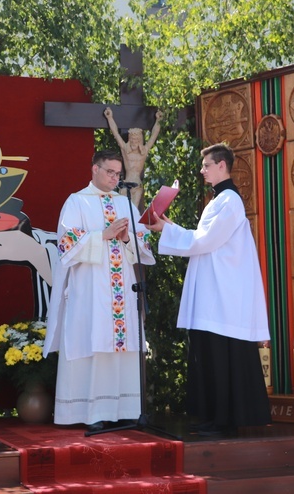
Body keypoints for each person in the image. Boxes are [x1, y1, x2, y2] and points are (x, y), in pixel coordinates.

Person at [144, 143, 271, 436]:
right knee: (211, 356)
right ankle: (214, 416)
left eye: (206, 165)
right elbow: (204, 238)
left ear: (222, 166)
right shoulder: (219, 200)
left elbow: (206, 242)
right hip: (215, 292)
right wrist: (171, 228)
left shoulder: (230, 201)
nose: (201, 170)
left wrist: (167, 230)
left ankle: (225, 422)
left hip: (224, 296)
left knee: (222, 357)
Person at [44, 149, 156, 431]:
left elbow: (144, 247)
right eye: (110, 172)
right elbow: (66, 245)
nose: (114, 178)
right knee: (92, 343)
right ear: (94, 169)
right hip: (91, 291)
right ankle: (90, 411)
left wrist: (127, 237)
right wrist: (102, 236)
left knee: (122, 346)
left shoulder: (125, 203)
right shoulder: (77, 202)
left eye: (118, 174)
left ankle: (125, 409)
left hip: (122, 291)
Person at [104, 107, 163, 208]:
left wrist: (158, 120)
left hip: (137, 186)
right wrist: (110, 118)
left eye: (136, 140)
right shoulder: (125, 150)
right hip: (126, 184)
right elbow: (116, 133)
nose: (134, 142)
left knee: (134, 213)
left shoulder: (143, 152)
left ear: (140, 140)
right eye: (132, 140)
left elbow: (153, 135)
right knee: (123, 212)